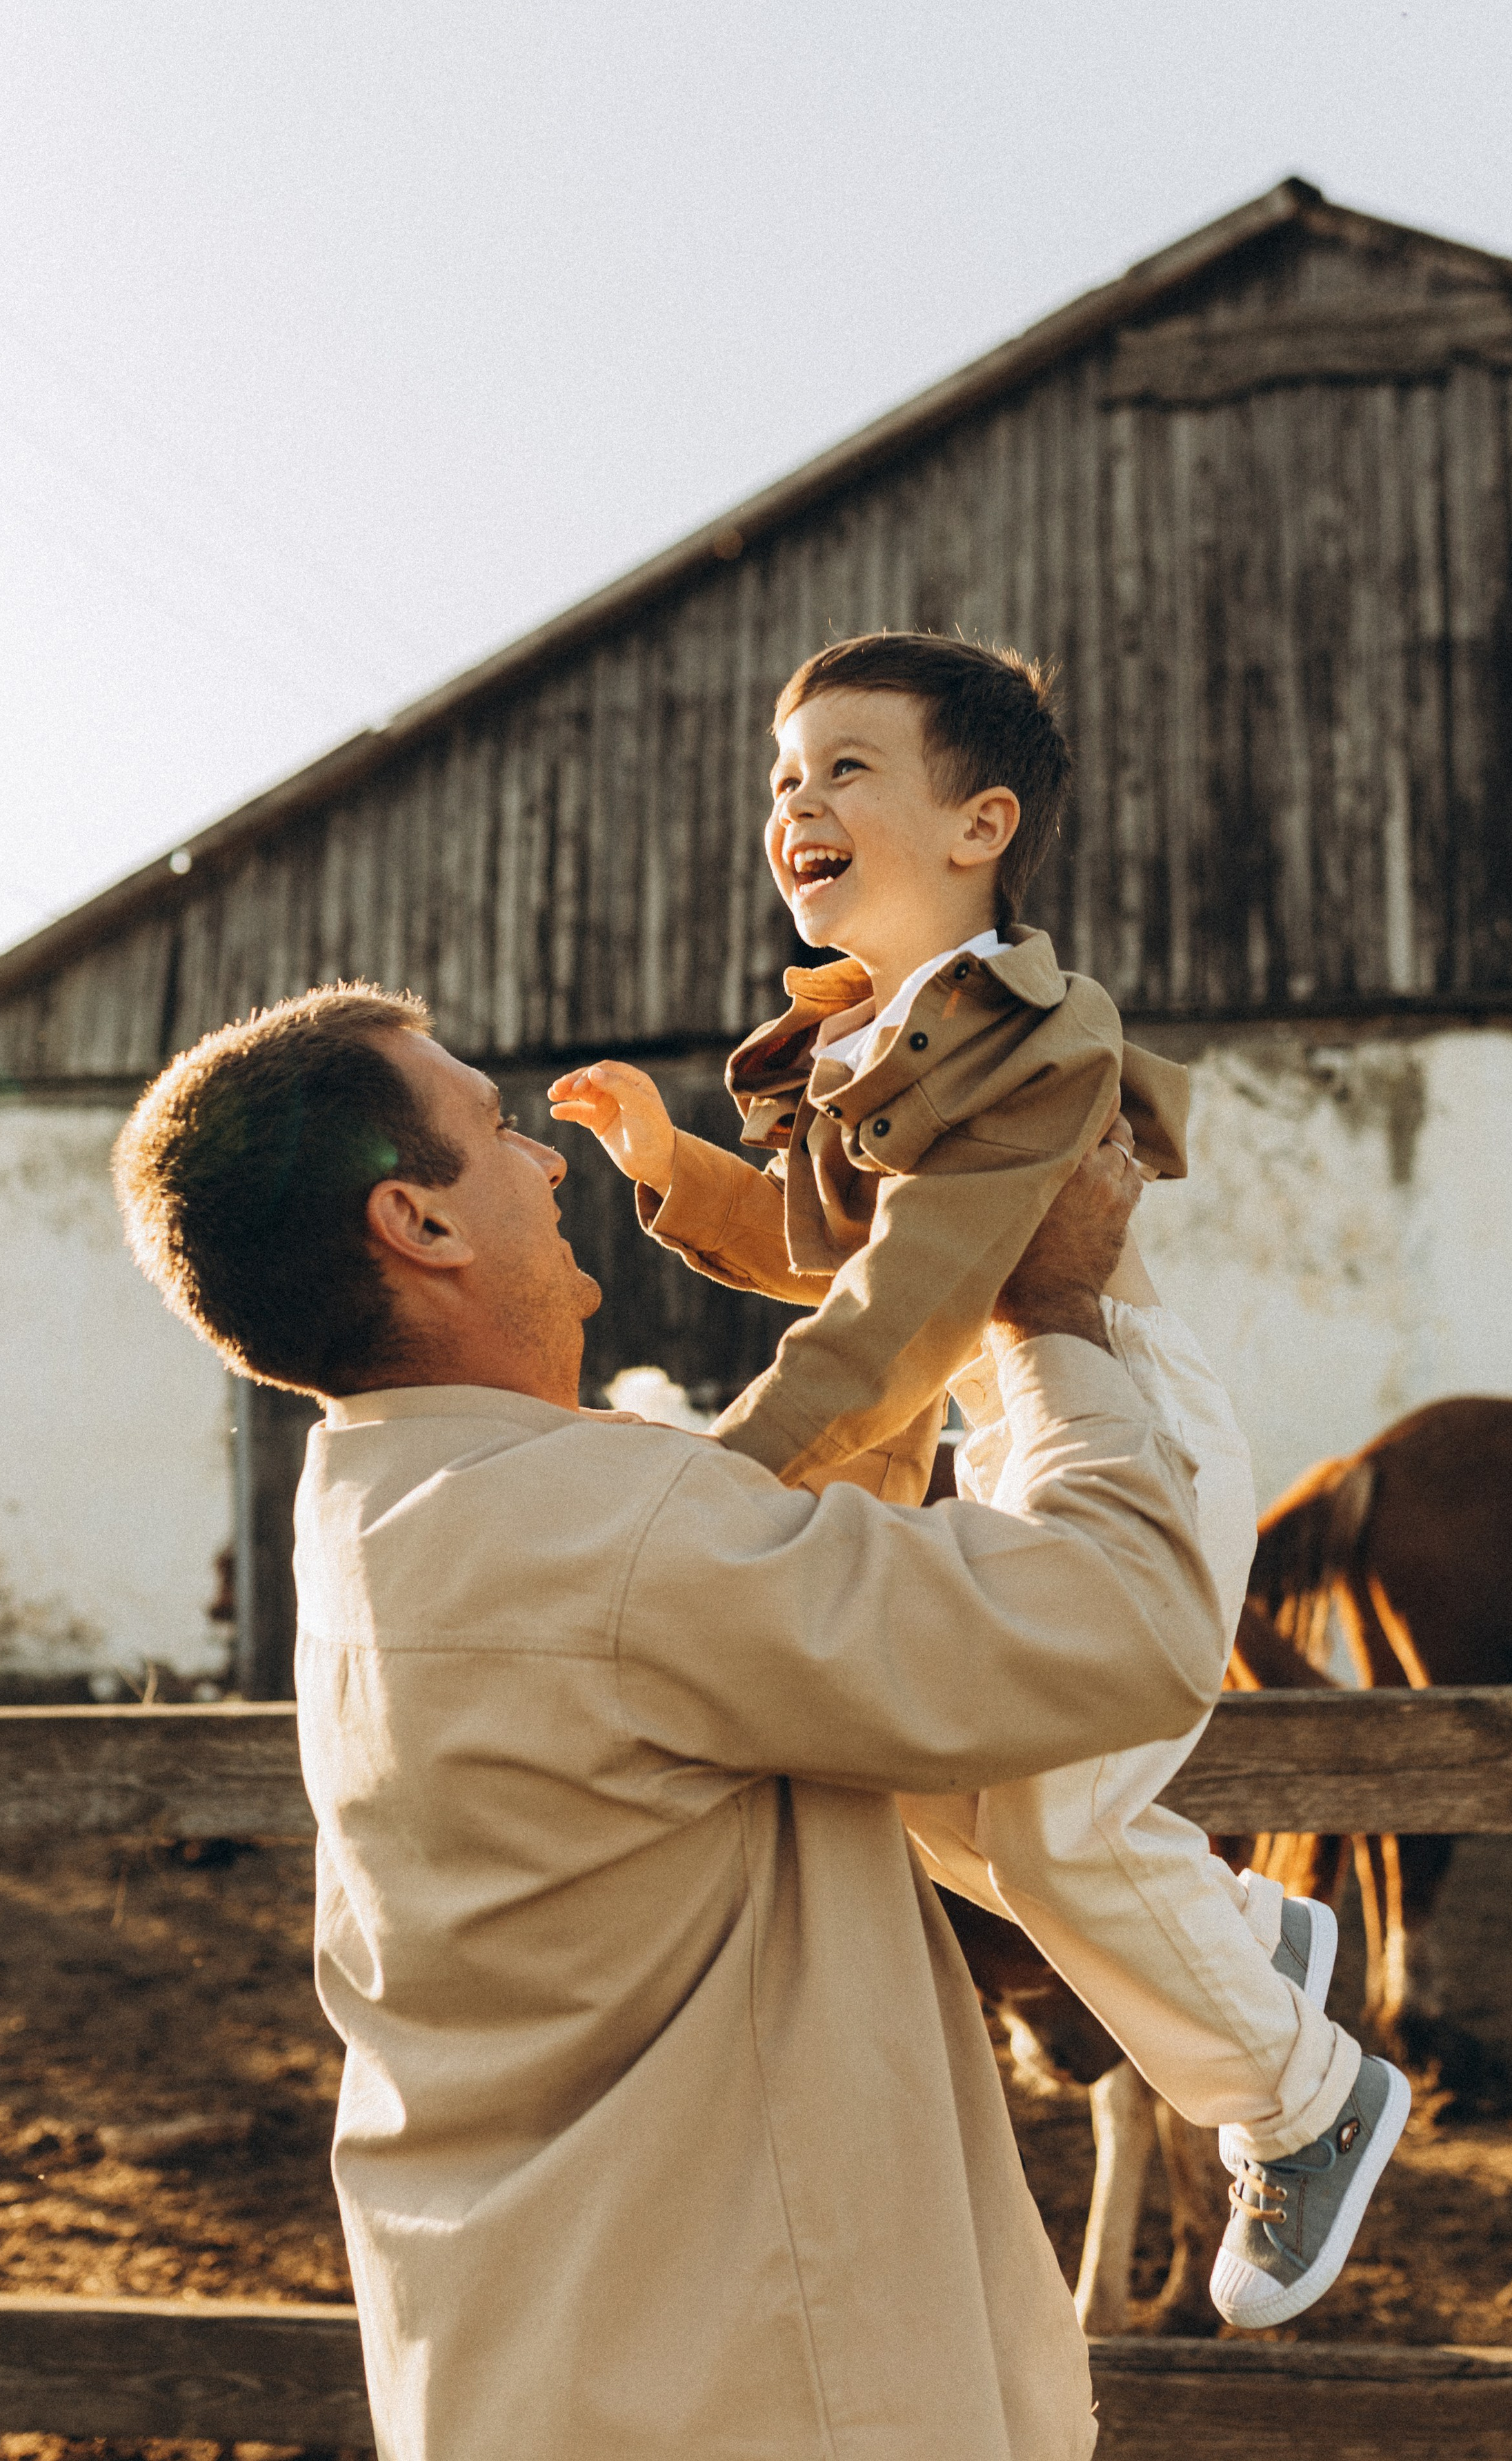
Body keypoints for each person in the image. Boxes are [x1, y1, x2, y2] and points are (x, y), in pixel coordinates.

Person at [112, 980, 1231, 2461]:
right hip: (759, 2386)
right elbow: (1130, 1622)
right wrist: (1048, 1318)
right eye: (497, 1132)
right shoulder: (607, 1538)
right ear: (418, 1224)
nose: (548, 1161)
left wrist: (899, 1283)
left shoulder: (385, 1511)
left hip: (538, 2362)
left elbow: (785, 1607)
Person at [549, 633, 1409, 2327]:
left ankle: (1307, 2098)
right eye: (782, 776)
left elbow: (889, 1314)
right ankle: (1238, 1932)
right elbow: (835, 1261)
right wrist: (673, 1172)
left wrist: (712, 1495)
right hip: (999, 1434)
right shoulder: (880, 1039)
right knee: (897, 1776)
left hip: (1121, 1428)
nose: (794, 800)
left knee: (1042, 1814)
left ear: (980, 822)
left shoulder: (1034, 1039)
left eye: (843, 768)